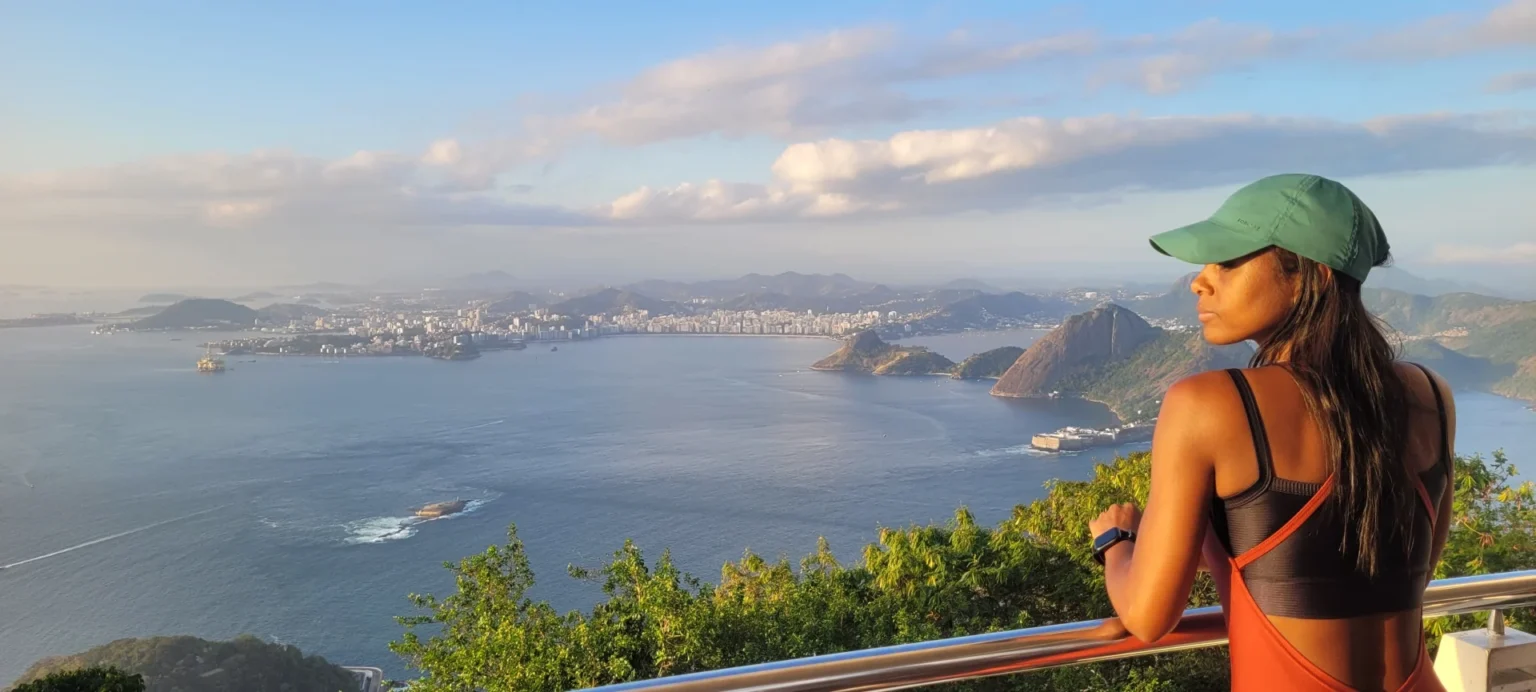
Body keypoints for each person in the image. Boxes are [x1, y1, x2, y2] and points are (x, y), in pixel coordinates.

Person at [1088, 173, 1455, 691]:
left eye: (1228, 261)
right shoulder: (1431, 394)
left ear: (1310, 277)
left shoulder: (1208, 404)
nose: (1199, 281)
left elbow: (1149, 617)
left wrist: (1117, 542)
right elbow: (1398, 570)